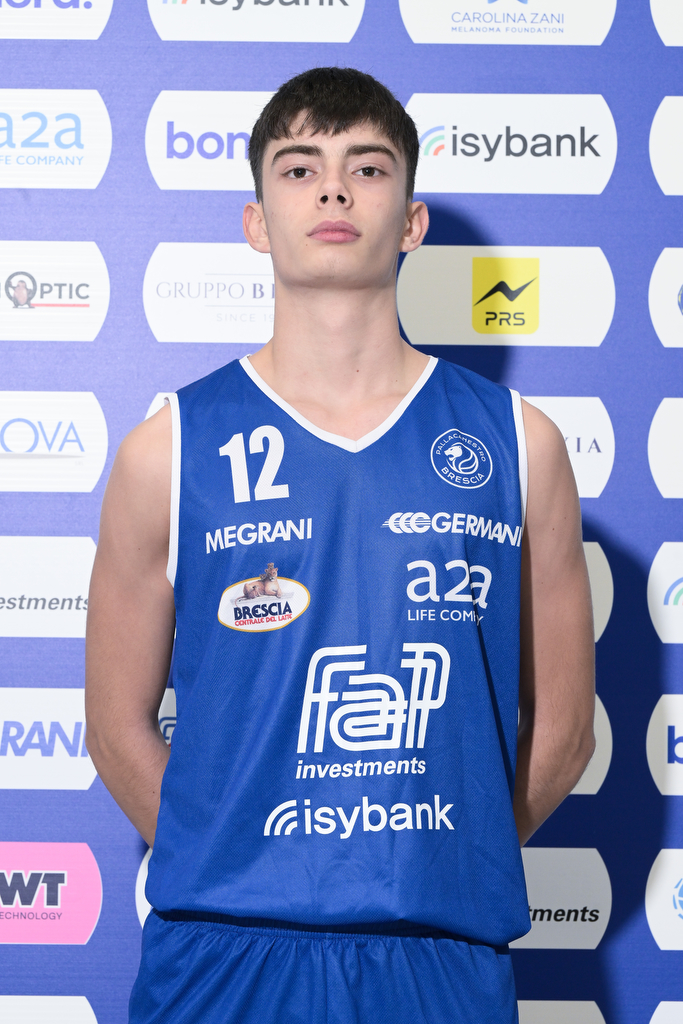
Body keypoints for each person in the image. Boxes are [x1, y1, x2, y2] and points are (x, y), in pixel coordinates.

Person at [85, 67, 596, 1024]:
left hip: (437, 958)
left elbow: (564, 730)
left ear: (411, 222)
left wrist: (450, 859)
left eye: (366, 167)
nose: (331, 190)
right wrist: (244, 864)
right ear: (255, 221)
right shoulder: (168, 449)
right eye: (298, 168)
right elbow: (115, 728)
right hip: (221, 954)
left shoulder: (520, 443)